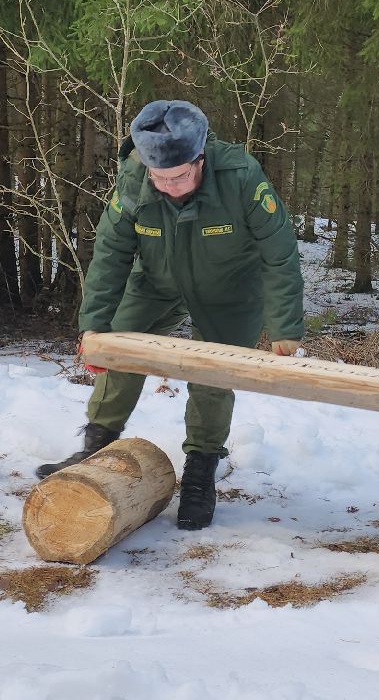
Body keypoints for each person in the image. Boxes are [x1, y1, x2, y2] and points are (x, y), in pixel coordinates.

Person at [36, 100, 305, 531]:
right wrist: (95, 327)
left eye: (179, 176)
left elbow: (279, 251)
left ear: (200, 158)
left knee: (213, 373)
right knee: (121, 346)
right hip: (157, 279)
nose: (170, 187)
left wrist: (285, 326)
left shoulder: (240, 176)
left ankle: (200, 469)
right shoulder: (133, 178)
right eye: (159, 177)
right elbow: (111, 252)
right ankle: (96, 444)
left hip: (230, 288)